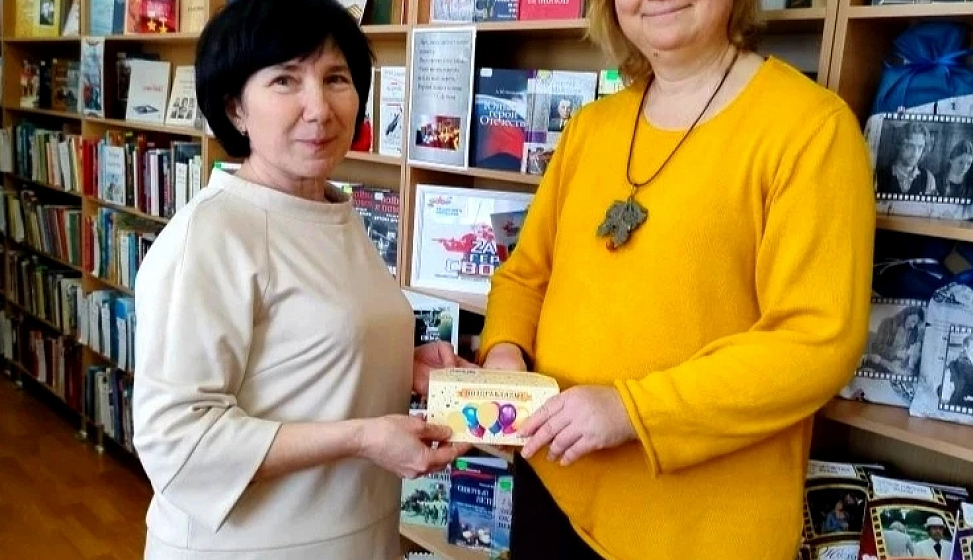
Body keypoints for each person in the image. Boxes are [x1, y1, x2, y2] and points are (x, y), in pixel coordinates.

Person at [476, 0, 875, 556]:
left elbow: (816, 341)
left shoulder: (811, 129)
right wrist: (504, 354)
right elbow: (524, 276)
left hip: (697, 527)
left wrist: (633, 411)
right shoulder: (590, 127)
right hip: (552, 486)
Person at [130, 1, 472, 558]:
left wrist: (398, 363)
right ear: (235, 108)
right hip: (253, 546)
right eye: (285, 80)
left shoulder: (335, 211)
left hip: (356, 531)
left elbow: (302, 351)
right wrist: (361, 437)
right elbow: (178, 440)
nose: (319, 108)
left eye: (336, 78)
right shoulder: (211, 235)